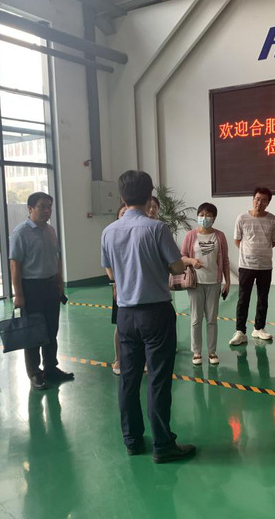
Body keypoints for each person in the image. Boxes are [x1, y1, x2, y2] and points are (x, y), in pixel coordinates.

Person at [101, 170, 196, 463]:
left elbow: (110, 271)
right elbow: (177, 267)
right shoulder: (157, 229)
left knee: (128, 379)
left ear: (122, 197)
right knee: (158, 379)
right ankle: (163, 445)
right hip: (156, 312)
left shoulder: (108, 231)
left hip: (126, 314)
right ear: (149, 195)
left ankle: (132, 440)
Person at [9, 192, 73, 391]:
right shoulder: (20, 233)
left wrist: (59, 282)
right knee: (33, 332)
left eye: (49, 207)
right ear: (30, 209)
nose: (47, 210)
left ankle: (51, 368)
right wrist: (19, 294)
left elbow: (56, 258)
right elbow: (15, 265)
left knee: (51, 330)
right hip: (31, 288)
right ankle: (35, 373)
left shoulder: (50, 230)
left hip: (50, 286)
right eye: (42, 206)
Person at [181, 202, 231, 365]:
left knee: (211, 319)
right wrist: (192, 261)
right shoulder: (190, 235)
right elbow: (182, 257)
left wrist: (227, 281)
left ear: (214, 218)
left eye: (208, 215)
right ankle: (196, 352)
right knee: (196, 319)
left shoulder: (220, 236)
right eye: (201, 215)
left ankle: (211, 351)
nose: (204, 218)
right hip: (195, 283)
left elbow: (225, 261)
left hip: (214, 282)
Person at [229, 187, 275, 345]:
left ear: (268, 202)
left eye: (264, 200)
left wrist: (259, 251)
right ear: (253, 199)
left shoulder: (273, 220)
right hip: (246, 265)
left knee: (263, 299)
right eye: (257, 199)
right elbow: (237, 240)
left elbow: (273, 242)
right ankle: (240, 331)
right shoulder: (242, 218)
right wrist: (249, 252)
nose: (259, 202)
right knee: (243, 299)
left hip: (265, 266)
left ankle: (259, 328)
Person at [111, 203, 127, 375]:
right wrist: (115, 282)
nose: (126, 215)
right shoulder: (112, 234)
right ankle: (118, 359)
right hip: (120, 286)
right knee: (120, 324)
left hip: (138, 286)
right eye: (123, 213)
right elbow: (108, 264)